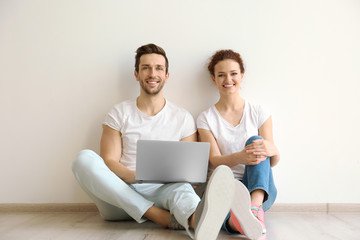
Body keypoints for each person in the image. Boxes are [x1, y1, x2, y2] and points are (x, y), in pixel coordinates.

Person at [72, 43, 236, 240]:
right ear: (136, 74)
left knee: (182, 189)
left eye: (159, 68)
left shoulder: (182, 118)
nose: (152, 73)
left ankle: (197, 220)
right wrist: (135, 176)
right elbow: (109, 161)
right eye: (146, 68)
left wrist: (171, 180)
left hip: (163, 194)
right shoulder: (119, 113)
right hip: (119, 197)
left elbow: (190, 173)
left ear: (166, 75)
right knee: (83, 159)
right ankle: (160, 218)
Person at [197, 49, 280, 239]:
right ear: (213, 79)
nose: (228, 79)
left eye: (234, 73)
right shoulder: (206, 118)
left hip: (259, 187)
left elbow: (271, 161)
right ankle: (238, 221)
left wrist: (272, 149)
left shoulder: (259, 112)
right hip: (226, 185)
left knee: (256, 141)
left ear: (241, 76)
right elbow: (215, 161)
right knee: (224, 209)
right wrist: (240, 157)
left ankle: (253, 207)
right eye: (221, 75)